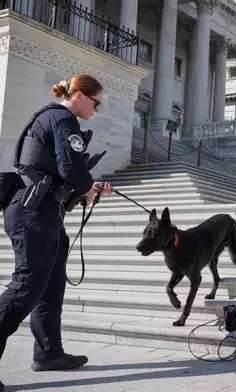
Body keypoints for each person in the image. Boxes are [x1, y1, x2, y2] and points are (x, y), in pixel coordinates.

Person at [0, 74, 113, 390]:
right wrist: (87, 184)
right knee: (27, 285)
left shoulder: (52, 117)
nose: (97, 110)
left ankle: (48, 353)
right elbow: (71, 168)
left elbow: (59, 175)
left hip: (42, 211)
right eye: (96, 103)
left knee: (50, 284)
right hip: (33, 213)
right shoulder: (63, 118)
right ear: (78, 95)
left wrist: (89, 188)